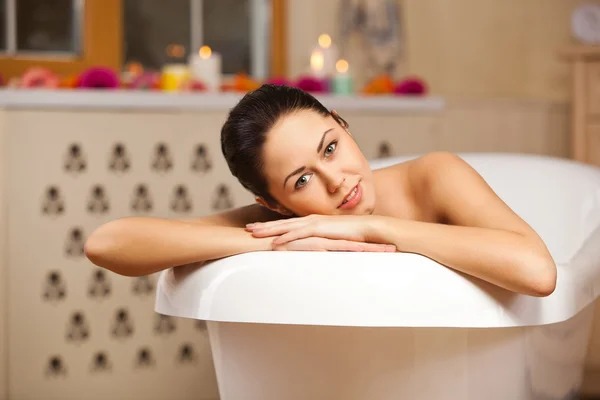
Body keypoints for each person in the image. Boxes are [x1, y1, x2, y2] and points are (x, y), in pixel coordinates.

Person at [84, 84, 557, 297]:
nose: (336, 181)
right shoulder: (286, 223)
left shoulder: (433, 176)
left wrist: (374, 228)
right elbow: (106, 243)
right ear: (272, 203)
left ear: (344, 126)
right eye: (302, 180)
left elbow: (537, 273)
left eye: (330, 147)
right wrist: (274, 241)